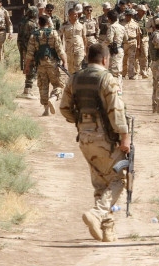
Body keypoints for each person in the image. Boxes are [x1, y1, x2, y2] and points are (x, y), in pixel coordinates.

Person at [59, 43, 131, 243]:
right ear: (105, 60)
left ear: (88, 58)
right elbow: (116, 111)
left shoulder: (74, 78)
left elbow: (64, 108)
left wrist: (82, 121)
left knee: (101, 181)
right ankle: (98, 213)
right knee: (119, 179)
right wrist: (124, 137)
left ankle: (107, 231)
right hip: (106, 138)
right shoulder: (107, 78)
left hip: (85, 136)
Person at [25, 15, 67, 116]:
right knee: (58, 85)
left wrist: (27, 66)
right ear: (48, 23)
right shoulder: (53, 33)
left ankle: (46, 110)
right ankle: (53, 98)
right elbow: (60, 50)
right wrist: (65, 62)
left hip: (40, 65)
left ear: (38, 23)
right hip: (52, 64)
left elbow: (30, 53)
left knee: (43, 86)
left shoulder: (34, 35)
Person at [19, 6, 39, 98]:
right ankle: (28, 91)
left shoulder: (23, 22)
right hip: (30, 49)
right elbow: (35, 38)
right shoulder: (32, 25)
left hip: (24, 48)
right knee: (31, 70)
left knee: (28, 69)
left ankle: (27, 90)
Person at [60, 4, 87, 75]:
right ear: (70, 15)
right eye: (74, 14)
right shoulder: (64, 25)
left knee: (79, 68)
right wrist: (61, 50)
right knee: (71, 69)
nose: (77, 16)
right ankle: (72, 84)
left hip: (79, 49)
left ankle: (79, 83)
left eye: (77, 14)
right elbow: (60, 37)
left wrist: (85, 51)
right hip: (69, 50)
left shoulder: (81, 25)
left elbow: (84, 38)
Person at [105, 10, 127, 87]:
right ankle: (119, 88)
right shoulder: (122, 27)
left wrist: (102, 45)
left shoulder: (112, 27)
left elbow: (109, 40)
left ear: (109, 18)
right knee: (119, 70)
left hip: (113, 51)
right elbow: (126, 39)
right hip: (120, 49)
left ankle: (115, 89)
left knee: (114, 71)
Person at [122, 9, 141, 80]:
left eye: (129, 15)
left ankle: (131, 74)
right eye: (127, 15)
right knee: (124, 59)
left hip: (133, 42)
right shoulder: (121, 23)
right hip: (124, 43)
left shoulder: (135, 24)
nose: (128, 17)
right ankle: (123, 74)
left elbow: (138, 34)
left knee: (132, 59)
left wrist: (138, 44)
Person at [135, 5, 150, 79]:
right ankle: (136, 72)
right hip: (135, 38)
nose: (144, 12)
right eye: (142, 11)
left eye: (145, 11)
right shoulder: (134, 19)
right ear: (138, 11)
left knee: (145, 55)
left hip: (144, 38)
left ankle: (144, 71)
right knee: (136, 55)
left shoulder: (147, 19)